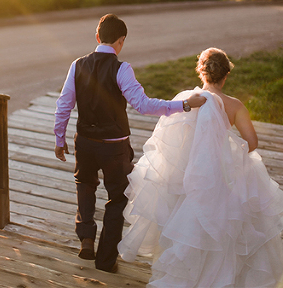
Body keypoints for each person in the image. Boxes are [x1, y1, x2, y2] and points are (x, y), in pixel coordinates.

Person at [53, 13, 206, 273]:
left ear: (97, 37)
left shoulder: (77, 65)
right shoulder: (121, 69)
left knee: (85, 185)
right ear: (121, 41)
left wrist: (59, 138)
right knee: (117, 198)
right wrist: (184, 105)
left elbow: (64, 104)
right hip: (114, 147)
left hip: (85, 142)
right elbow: (143, 105)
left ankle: (86, 237)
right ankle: (105, 260)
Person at [119, 48, 283, 287]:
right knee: (223, 220)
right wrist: (226, 154)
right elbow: (252, 142)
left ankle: (186, 270)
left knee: (187, 222)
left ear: (201, 72)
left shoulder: (186, 100)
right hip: (218, 176)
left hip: (186, 175)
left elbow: (170, 142)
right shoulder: (235, 105)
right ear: (226, 75)